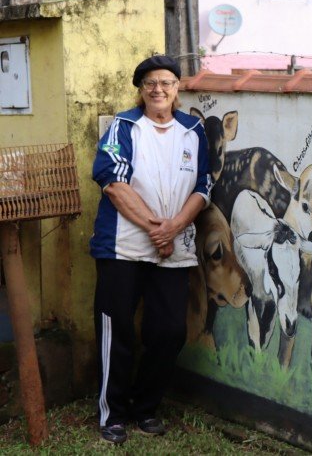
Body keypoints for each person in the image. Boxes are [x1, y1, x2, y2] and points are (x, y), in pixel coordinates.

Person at [89, 55, 211, 444]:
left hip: (173, 248)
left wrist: (174, 227)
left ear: (178, 88)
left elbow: (203, 187)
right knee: (117, 329)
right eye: (150, 84)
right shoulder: (123, 127)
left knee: (170, 331)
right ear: (140, 90)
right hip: (122, 246)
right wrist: (155, 228)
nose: (158, 90)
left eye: (167, 83)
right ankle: (112, 412)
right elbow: (112, 182)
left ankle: (146, 407)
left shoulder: (193, 130)